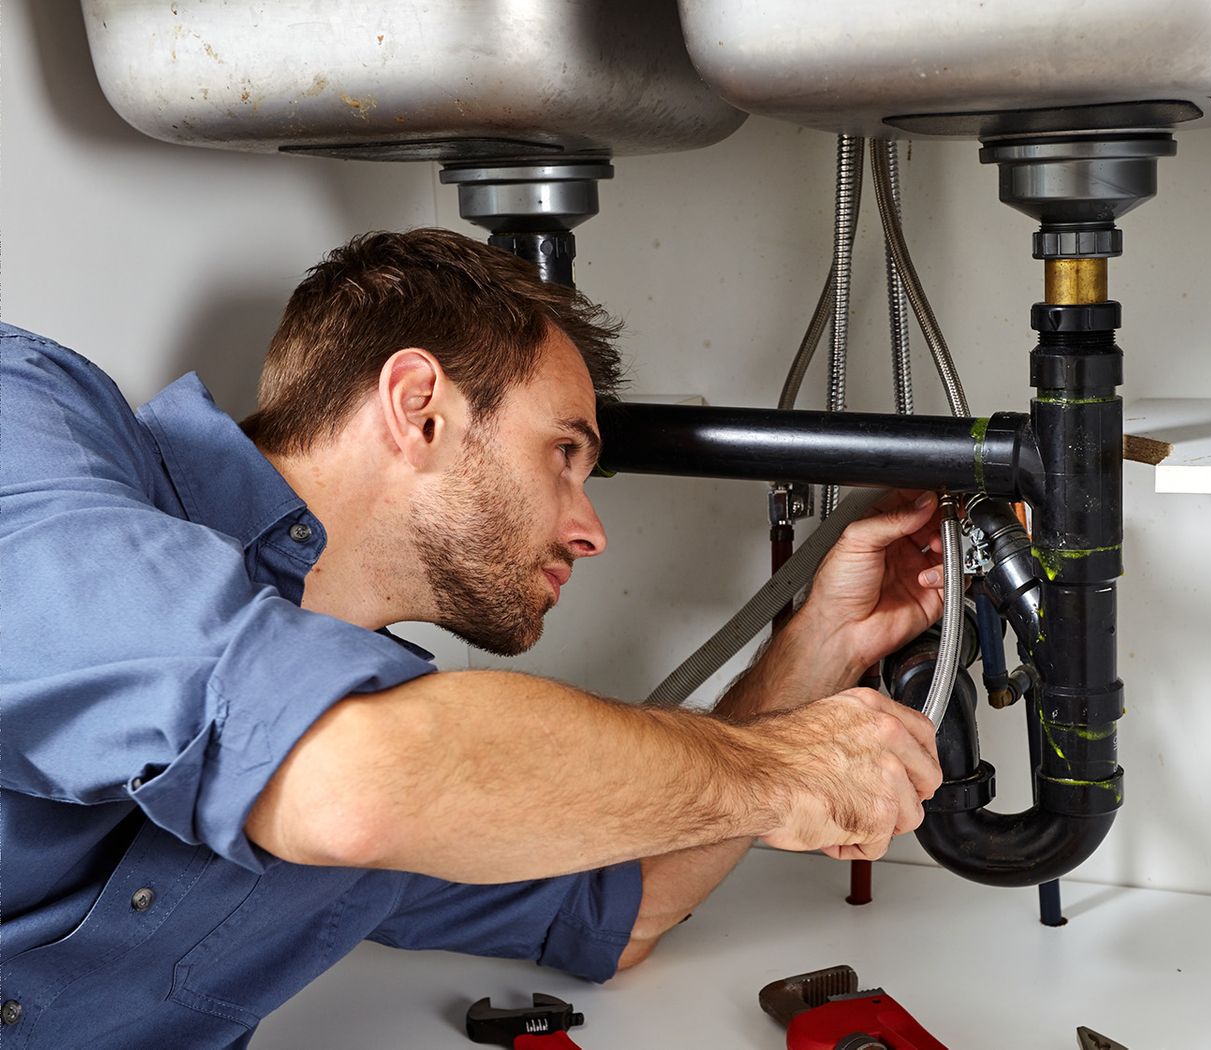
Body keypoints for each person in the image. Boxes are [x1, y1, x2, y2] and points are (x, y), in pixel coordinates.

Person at [0, 228, 947, 1048]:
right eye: (565, 453)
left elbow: (620, 910)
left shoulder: (424, 761)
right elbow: (357, 781)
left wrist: (820, 646)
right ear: (419, 407)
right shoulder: (29, 429)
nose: (592, 531)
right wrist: (778, 771)